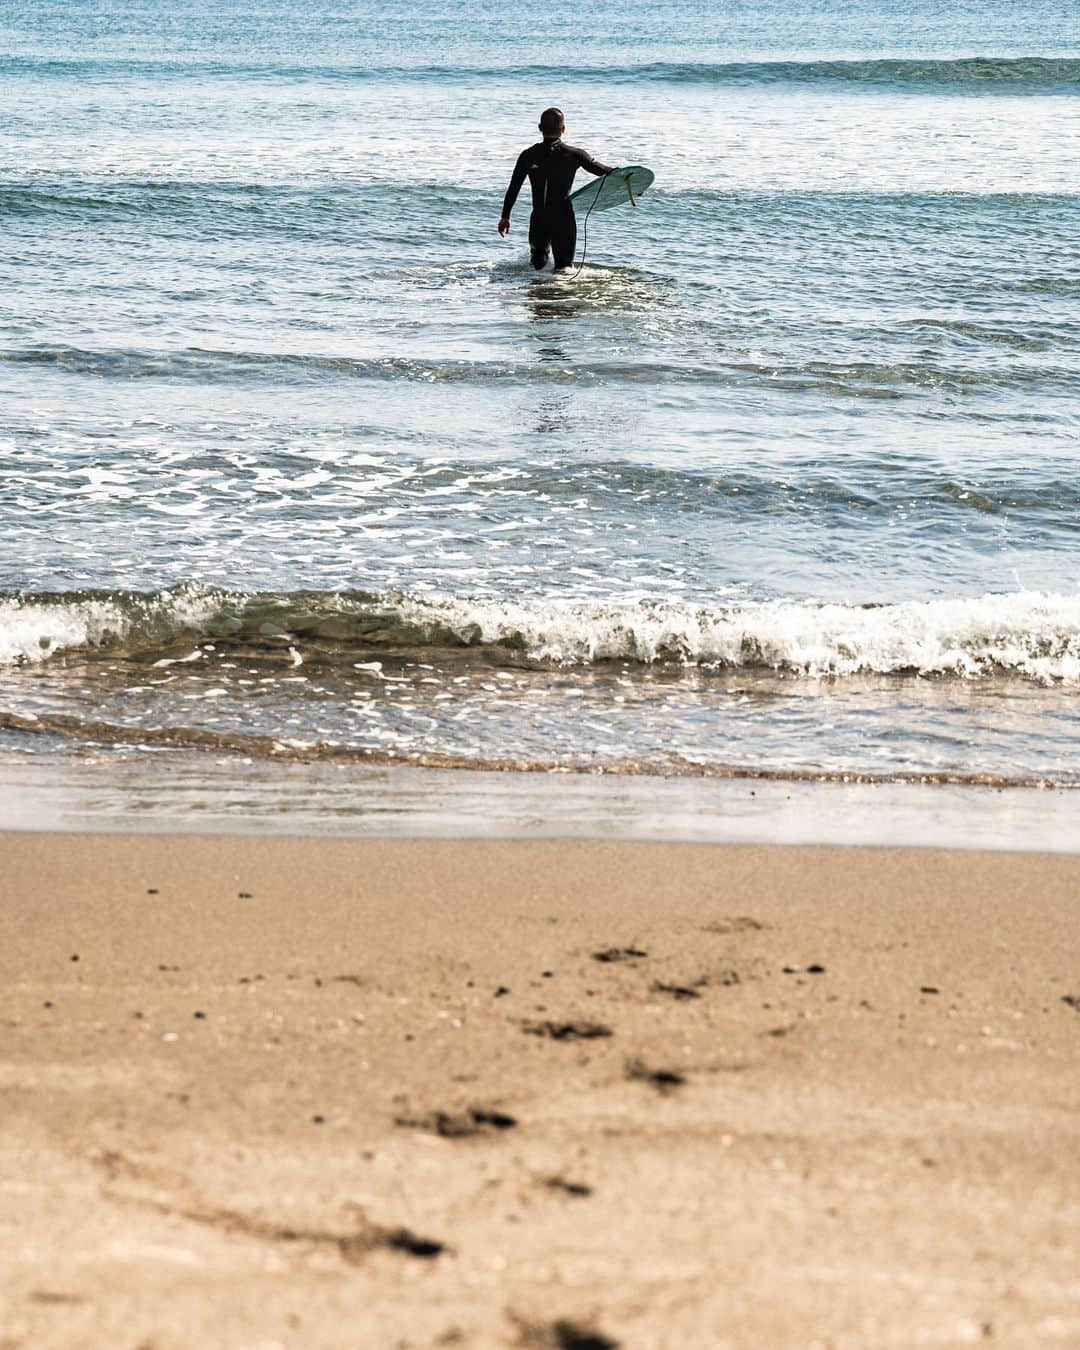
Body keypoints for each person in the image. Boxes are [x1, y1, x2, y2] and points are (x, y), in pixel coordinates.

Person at [498, 108, 612, 272]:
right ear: (563, 129)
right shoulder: (575, 154)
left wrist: (505, 216)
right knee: (564, 270)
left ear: (540, 128)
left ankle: (536, 294)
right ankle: (560, 296)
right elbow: (605, 171)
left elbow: (514, 187)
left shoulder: (528, 155)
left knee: (537, 268)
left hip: (539, 219)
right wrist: (632, 181)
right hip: (563, 219)